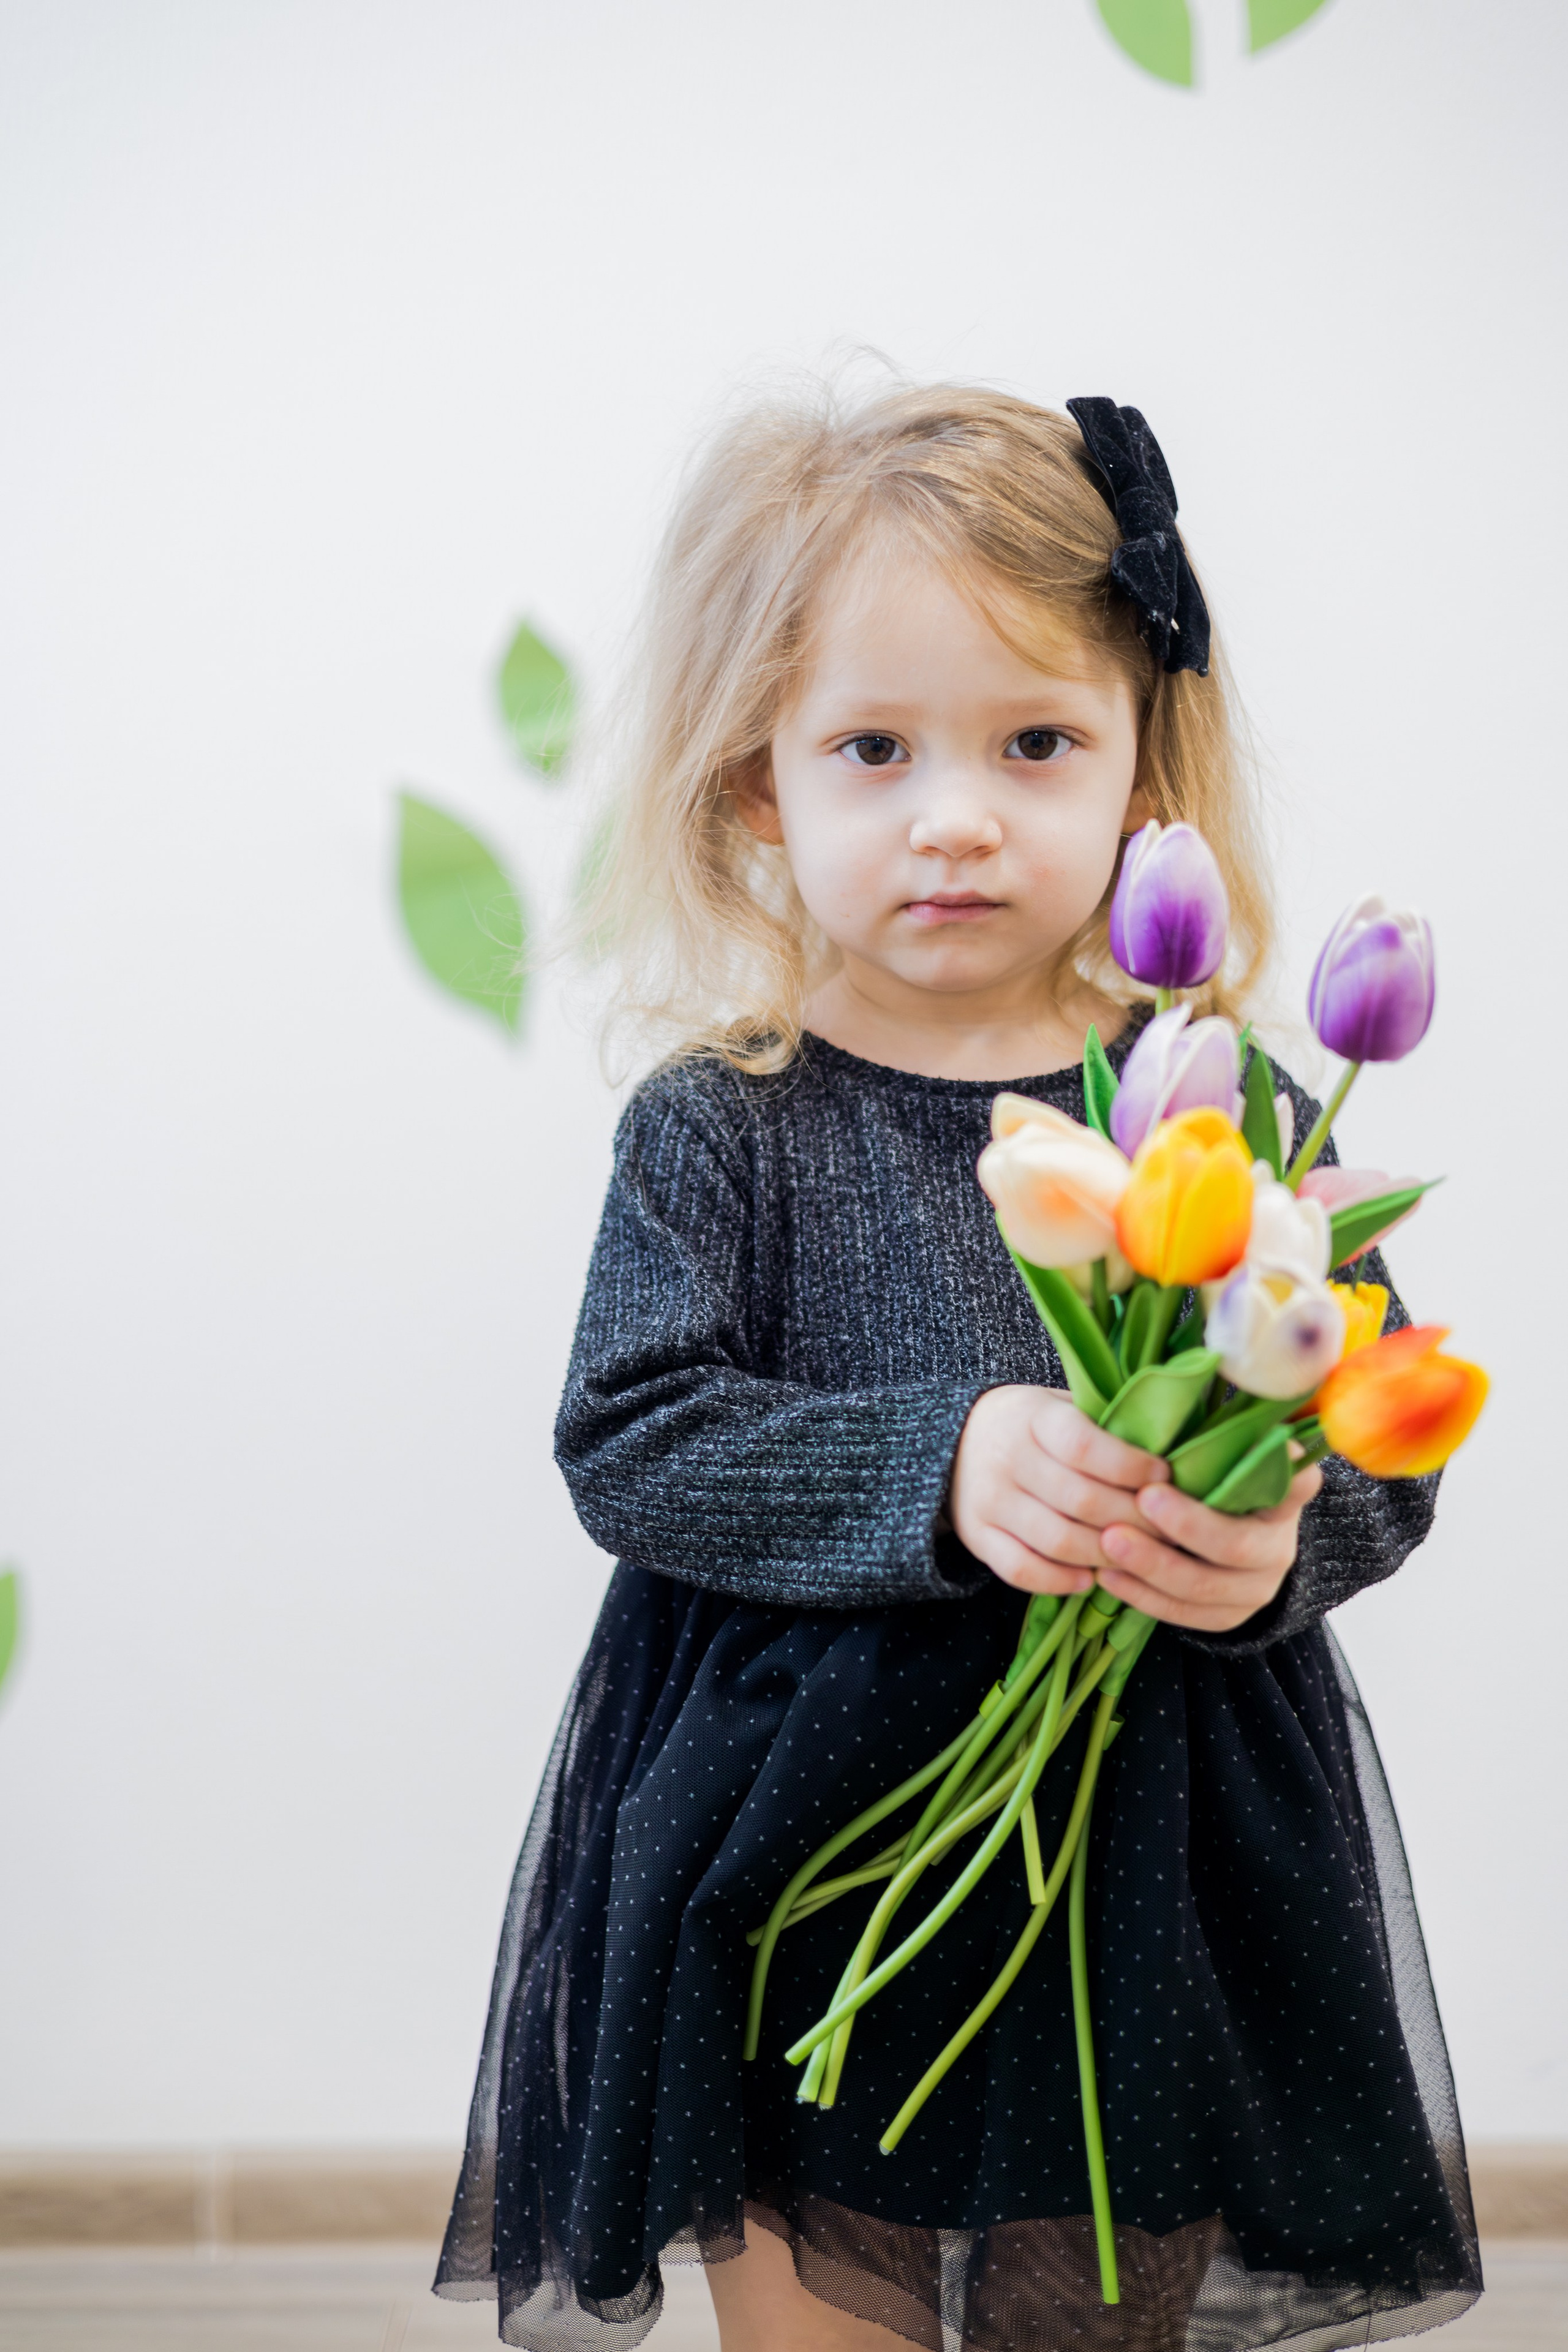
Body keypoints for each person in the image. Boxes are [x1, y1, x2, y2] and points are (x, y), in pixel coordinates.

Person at [434, 383, 1480, 2351]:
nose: (960, 812)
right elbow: (632, 1438)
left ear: (1141, 772)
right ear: (759, 786)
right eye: (872, 749)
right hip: (789, 1865)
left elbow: (1380, 1424)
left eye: (1036, 741)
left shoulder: (1224, 1098)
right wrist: (943, 1462)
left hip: (1136, 1876)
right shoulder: (722, 1123)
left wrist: (1279, 1543)